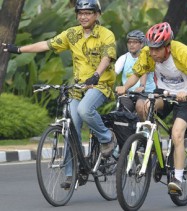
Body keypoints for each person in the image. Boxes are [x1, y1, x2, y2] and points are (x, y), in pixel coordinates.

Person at [2, 0, 117, 188]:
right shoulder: (72, 34)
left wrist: (96, 75)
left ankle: (107, 139)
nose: (83, 16)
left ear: (97, 15)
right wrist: (18, 49)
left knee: (84, 110)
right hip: (78, 87)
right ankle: (72, 174)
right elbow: (46, 45)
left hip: (100, 85)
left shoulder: (106, 34)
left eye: (88, 13)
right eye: (80, 12)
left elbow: (107, 57)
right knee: (71, 126)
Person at [116, 22, 187, 195]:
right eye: (151, 48)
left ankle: (177, 178)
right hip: (165, 93)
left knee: (177, 134)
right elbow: (137, 73)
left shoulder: (182, 53)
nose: (153, 53)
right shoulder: (148, 53)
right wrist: (124, 87)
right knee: (144, 106)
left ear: (168, 46)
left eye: (157, 49)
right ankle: (152, 145)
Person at [115, 30, 156, 113]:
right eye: (129, 42)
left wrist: (142, 86)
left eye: (135, 42)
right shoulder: (124, 58)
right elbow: (113, 73)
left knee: (141, 108)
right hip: (128, 93)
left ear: (141, 44)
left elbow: (143, 72)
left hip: (147, 93)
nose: (131, 45)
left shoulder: (147, 55)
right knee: (122, 113)